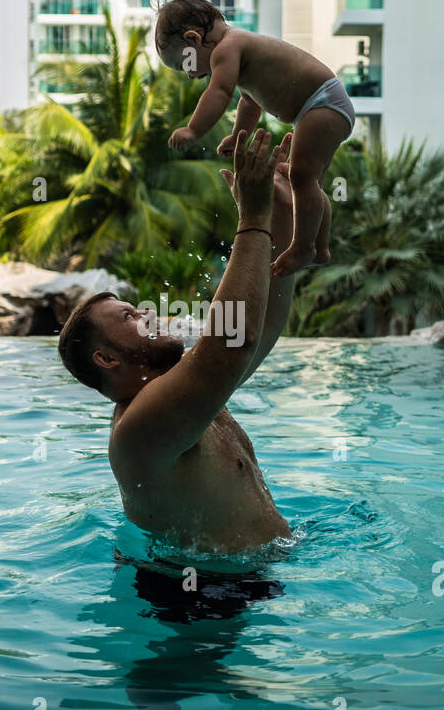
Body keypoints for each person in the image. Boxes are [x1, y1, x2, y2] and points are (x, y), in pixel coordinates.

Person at [57, 129, 297, 554]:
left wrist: (280, 219)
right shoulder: (138, 430)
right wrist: (253, 219)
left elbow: (261, 333)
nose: (147, 313)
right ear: (106, 358)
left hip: (248, 582)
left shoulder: (186, 395)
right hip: (199, 600)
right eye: (130, 317)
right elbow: (232, 344)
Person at [156, 0, 355, 278]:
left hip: (322, 104)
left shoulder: (228, 48)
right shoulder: (240, 53)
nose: (189, 75)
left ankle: (303, 247)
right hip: (322, 107)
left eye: (183, 65)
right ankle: (319, 249)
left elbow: (219, 92)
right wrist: (238, 134)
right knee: (309, 182)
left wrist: (193, 129)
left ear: (193, 39)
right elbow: (249, 102)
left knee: (302, 177)